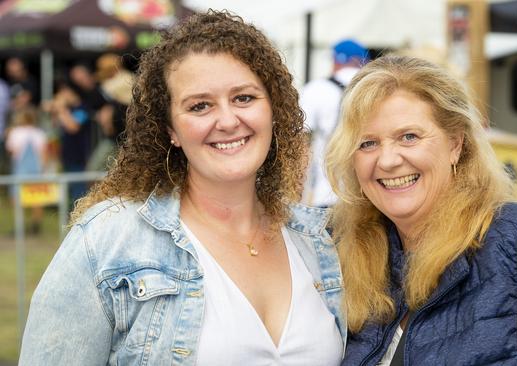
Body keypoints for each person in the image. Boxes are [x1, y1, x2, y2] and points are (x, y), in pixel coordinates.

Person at [19, 10, 345, 366]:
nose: (227, 120)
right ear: (171, 129)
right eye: (200, 105)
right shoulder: (106, 242)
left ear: (273, 109)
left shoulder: (318, 241)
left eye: (244, 98)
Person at [325, 55, 517, 365]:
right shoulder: (347, 257)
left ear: (456, 144)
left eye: (409, 137)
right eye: (367, 143)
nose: (388, 160)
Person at [301, 39, 368, 207]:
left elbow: (299, 138)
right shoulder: (376, 88)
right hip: (370, 198)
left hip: (327, 195)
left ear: (336, 60)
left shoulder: (316, 89)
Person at [5, 107, 47, 234]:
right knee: (36, 197)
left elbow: (11, 150)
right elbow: (43, 154)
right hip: (36, 170)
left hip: (20, 170)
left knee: (17, 198)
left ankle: (20, 225)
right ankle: (36, 225)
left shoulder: (16, 132)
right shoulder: (39, 133)